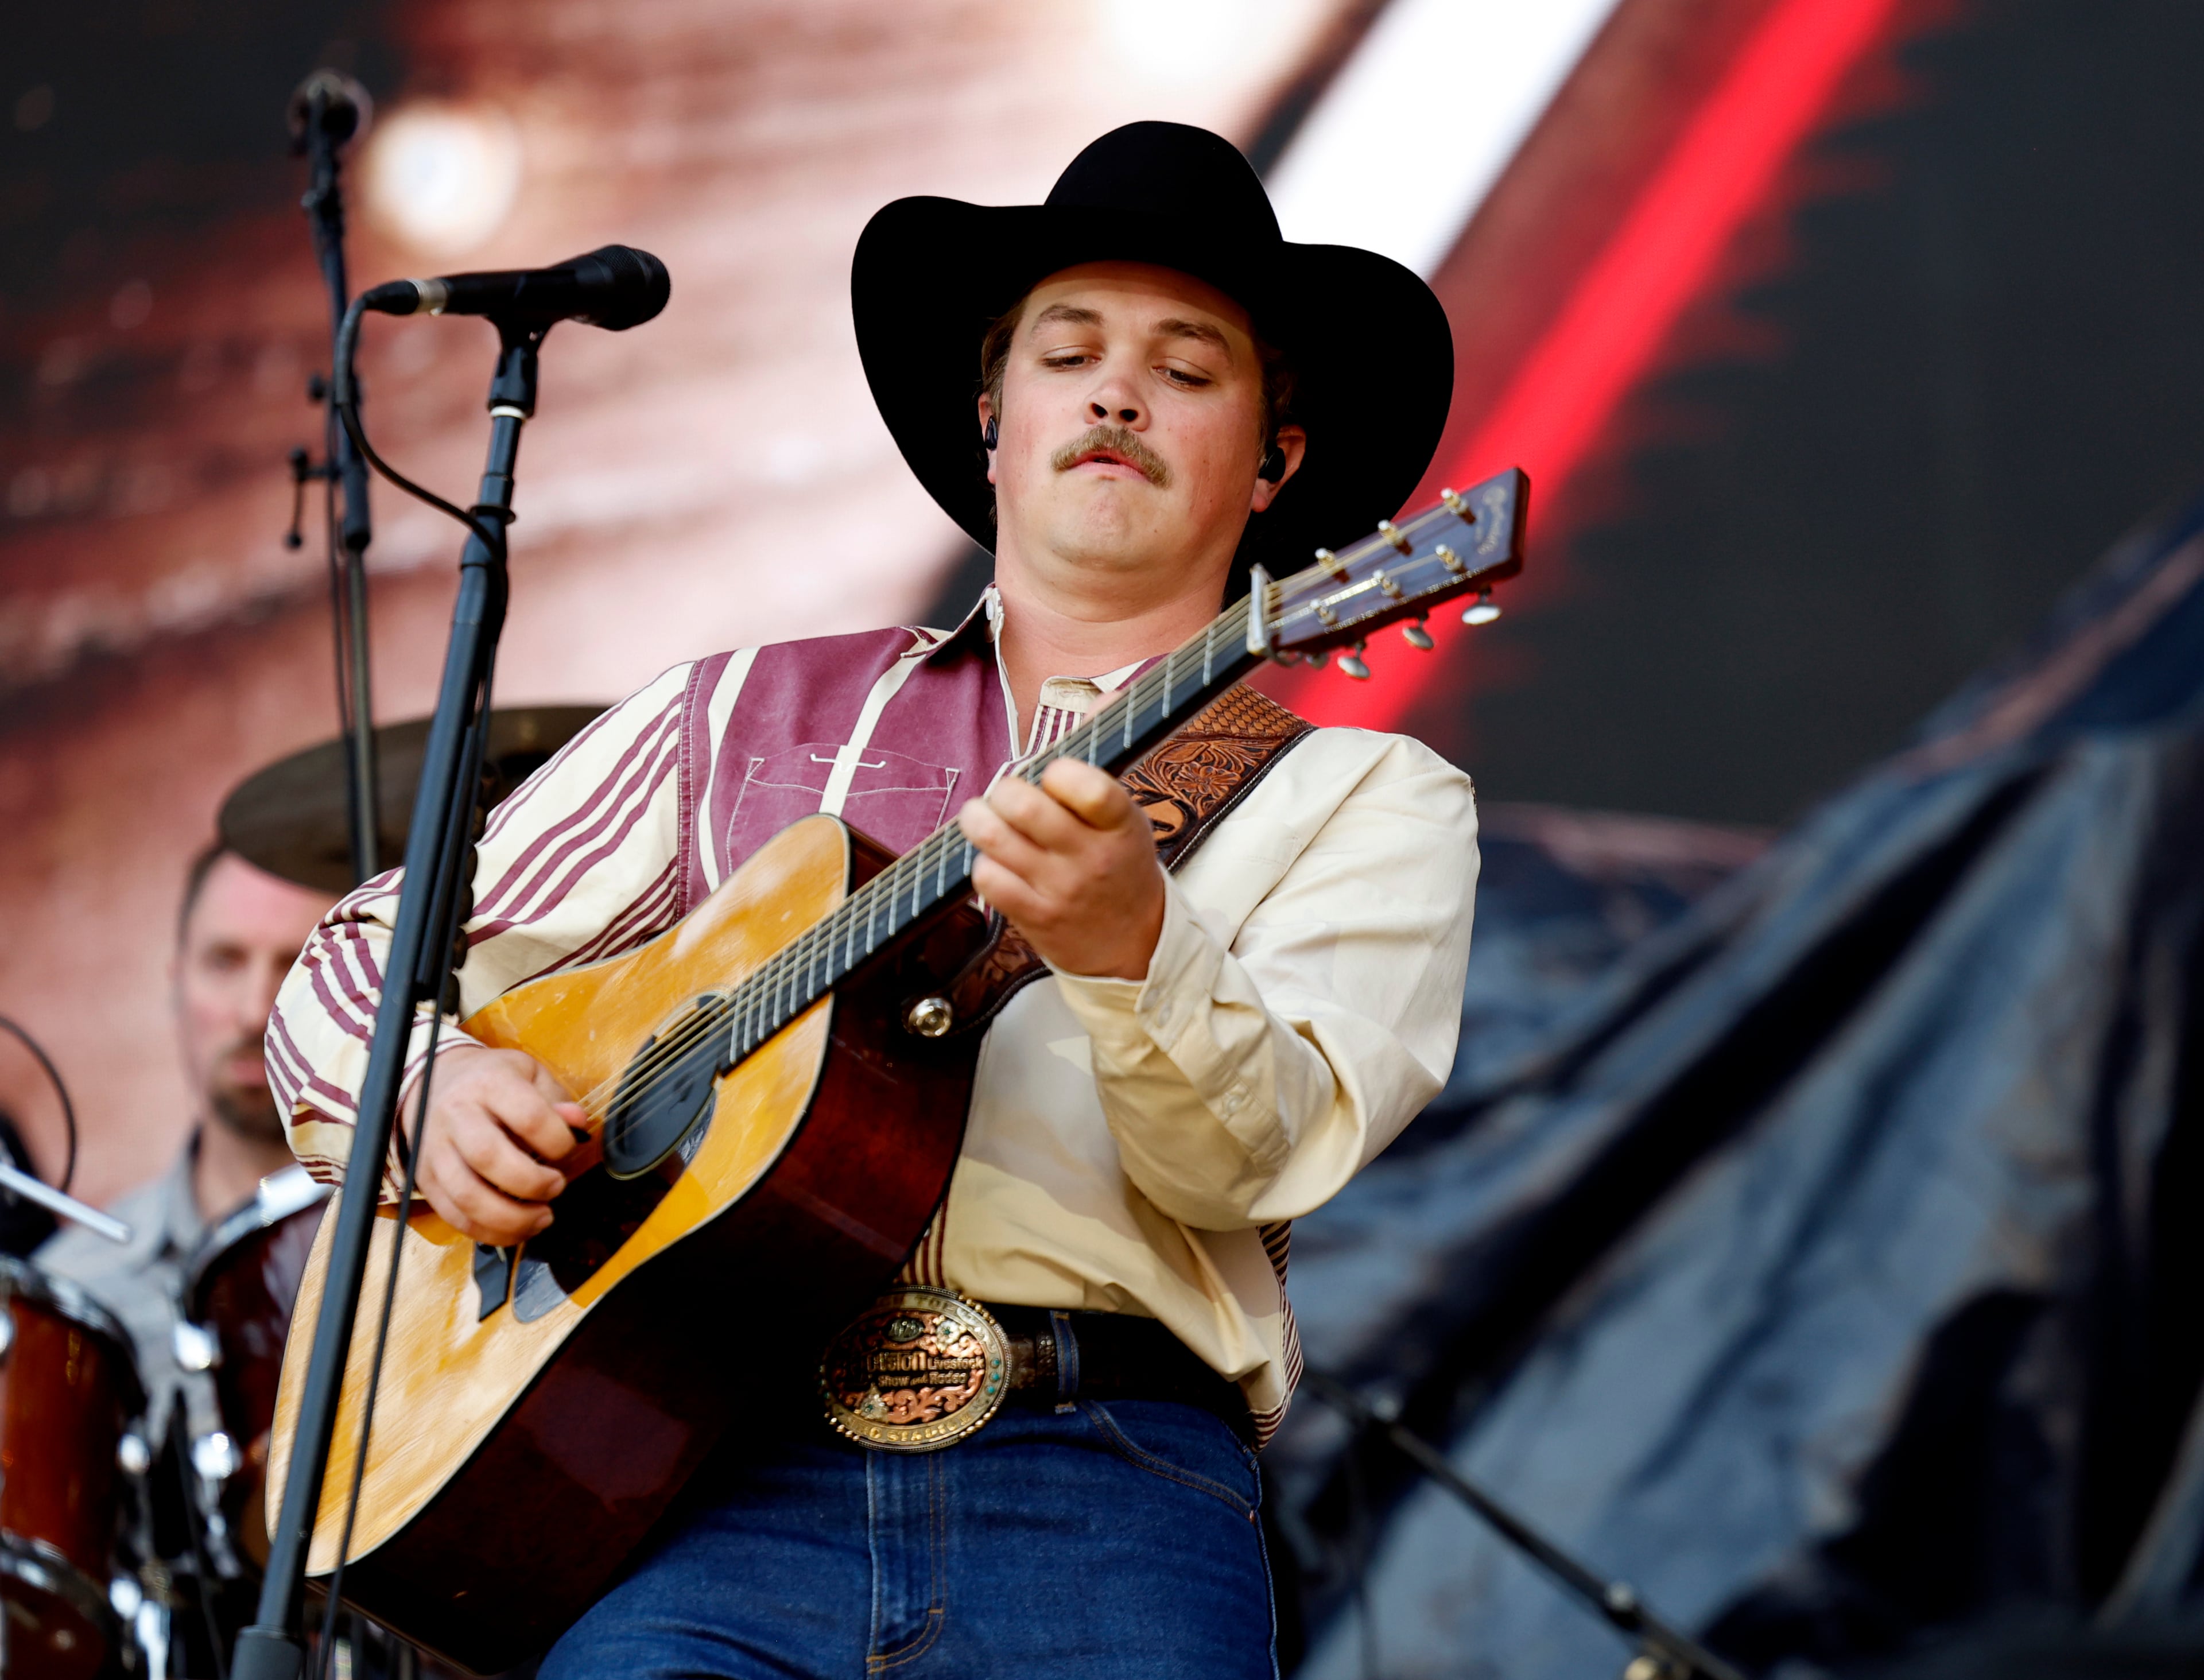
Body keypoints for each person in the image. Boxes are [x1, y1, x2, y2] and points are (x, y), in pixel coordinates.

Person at [268, 122, 1478, 1678]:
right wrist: (433, 1085)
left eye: (1188, 367)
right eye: (1070, 350)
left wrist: (1134, 950)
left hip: (1103, 1489)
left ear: (1274, 465)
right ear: (992, 420)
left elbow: (1253, 1158)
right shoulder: (736, 715)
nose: (1119, 390)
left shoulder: (1363, 803)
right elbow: (361, 950)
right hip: (700, 1481)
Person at [40, 845, 335, 1435]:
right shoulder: (71, 1295)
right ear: (176, 984)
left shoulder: (432, 1235)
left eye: (297, 964)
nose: (256, 1012)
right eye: (225, 961)